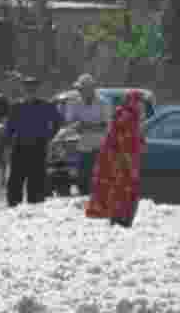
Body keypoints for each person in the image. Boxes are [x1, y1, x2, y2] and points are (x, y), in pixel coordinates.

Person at [85, 90, 147, 227]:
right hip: (121, 164)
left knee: (120, 191)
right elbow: (125, 144)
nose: (143, 106)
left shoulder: (129, 116)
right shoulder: (127, 117)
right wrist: (131, 167)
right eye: (140, 102)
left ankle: (119, 218)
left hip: (120, 162)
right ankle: (121, 220)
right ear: (133, 102)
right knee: (124, 191)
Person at [4, 76, 63, 207]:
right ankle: (14, 206)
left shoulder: (45, 106)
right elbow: (9, 129)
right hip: (20, 146)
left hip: (38, 146)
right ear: (23, 90)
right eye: (27, 88)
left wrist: (49, 136)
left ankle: (35, 207)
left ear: (37, 90)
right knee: (16, 180)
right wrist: (8, 145)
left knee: (36, 180)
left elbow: (58, 122)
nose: (30, 91)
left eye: (33, 88)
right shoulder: (16, 107)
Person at [62, 73, 113, 195]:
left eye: (82, 89)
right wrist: (88, 126)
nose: (79, 91)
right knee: (82, 180)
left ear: (90, 88)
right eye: (79, 89)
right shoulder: (75, 103)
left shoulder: (103, 103)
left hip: (100, 147)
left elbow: (106, 126)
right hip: (83, 147)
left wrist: (84, 126)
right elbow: (69, 122)